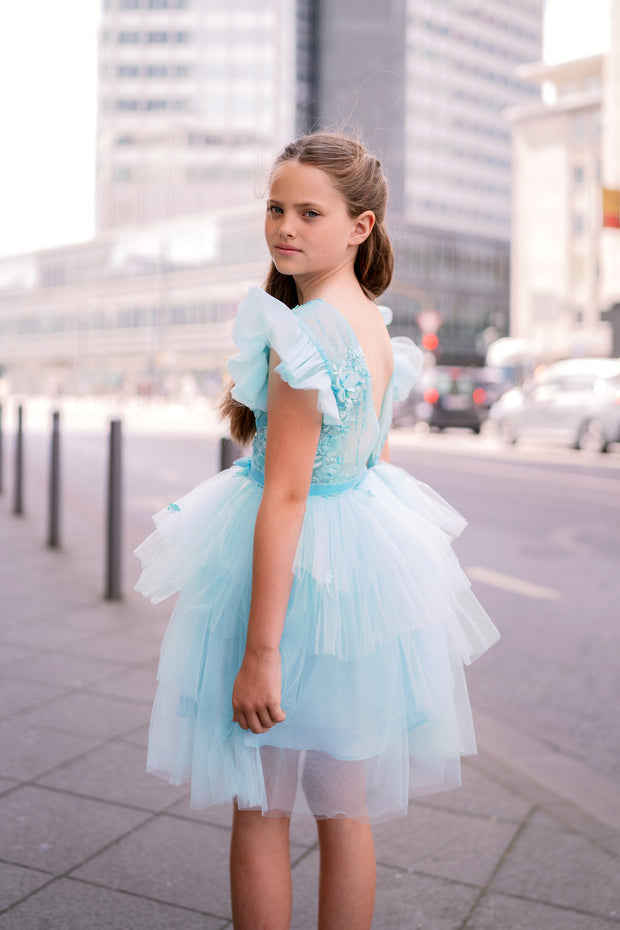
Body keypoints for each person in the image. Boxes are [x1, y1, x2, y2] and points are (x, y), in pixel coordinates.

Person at [133, 131, 499, 930]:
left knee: (262, 809)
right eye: (275, 209)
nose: (284, 227)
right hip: (358, 572)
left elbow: (288, 496)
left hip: (293, 578)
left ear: (360, 227)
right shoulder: (367, 323)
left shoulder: (306, 335)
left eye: (308, 212)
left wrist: (260, 655)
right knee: (344, 808)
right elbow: (369, 458)